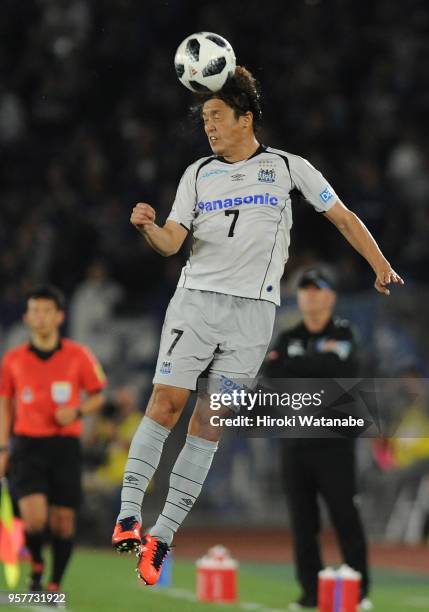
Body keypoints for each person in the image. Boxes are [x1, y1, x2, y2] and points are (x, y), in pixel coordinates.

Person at [111, 66, 403, 586]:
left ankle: (162, 536)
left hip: (253, 314)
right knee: (165, 402)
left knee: (210, 422)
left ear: (246, 118)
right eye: (205, 118)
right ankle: (128, 515)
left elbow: (342, 216)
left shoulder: (289, 168)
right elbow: (173, 242)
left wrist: (379, 263)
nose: (209, 127)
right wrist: (150, 229)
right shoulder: (197, 174)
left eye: (217, 116)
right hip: (196, 302)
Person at [263, 267, 371, 610]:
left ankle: (358, 592)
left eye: (317, 288)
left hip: (335, 445)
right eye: (305, 289)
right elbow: (273, 375)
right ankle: (311, 593)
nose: (309, 294)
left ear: (331, 296)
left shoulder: (344, 332)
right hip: (295, 444)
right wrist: (316, 365)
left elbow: (341, 372)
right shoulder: (288, 334)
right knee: (302, 524)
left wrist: (298, 366)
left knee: (344, 516)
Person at [0, 285, 106, 592]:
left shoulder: (78, 355)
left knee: (62, 523)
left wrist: (76, 412)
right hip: (27, 445)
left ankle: (54, 583)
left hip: (64, 447)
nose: (41, 317)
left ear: (59, 316)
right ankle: (36, 562)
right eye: (35, 311)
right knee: (34, 521)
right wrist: (3, 447)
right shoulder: (13, 360)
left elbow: (98, 396)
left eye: (47, 311)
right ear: (26, 317)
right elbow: (5, 405)